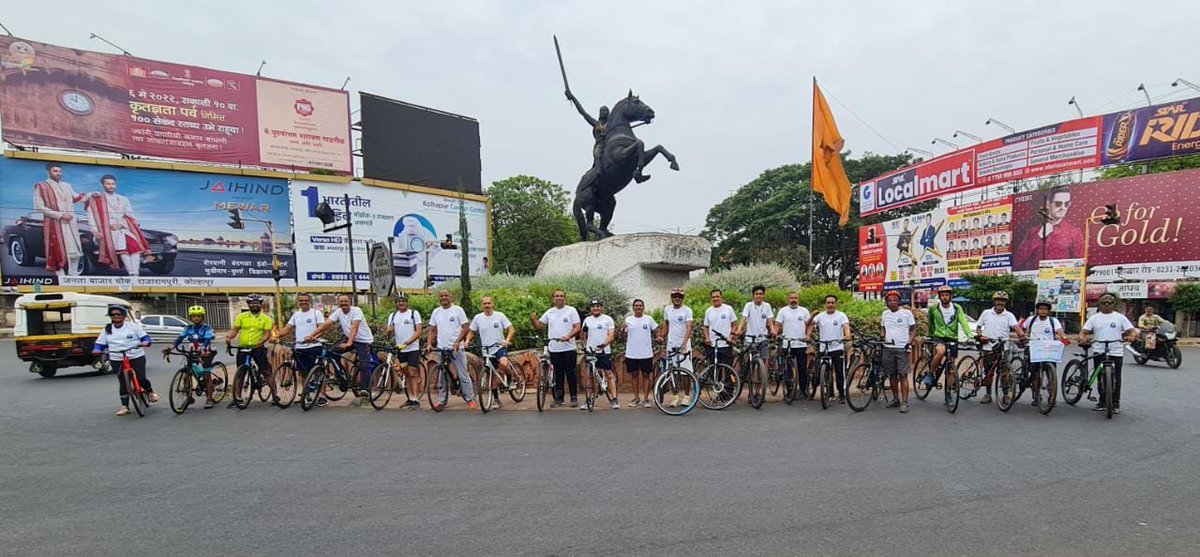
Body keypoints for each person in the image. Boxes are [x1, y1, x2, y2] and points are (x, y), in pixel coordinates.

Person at [305, 293, 375, 407]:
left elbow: (355, 327)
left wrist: (349, 343)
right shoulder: (338, 312)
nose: (343, 304)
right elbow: (326, 325)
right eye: (341, 302)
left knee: (364, 364)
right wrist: (312, 335)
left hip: (363, 340)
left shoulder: (356, 311)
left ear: (350, 302)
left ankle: (365, 389)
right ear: (338, 303)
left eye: (345, 301)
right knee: (332, 353)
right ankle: (341, 375)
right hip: (349, 339)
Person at [95, 305, 157, 415]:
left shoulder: (133, 327)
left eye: (118, 314)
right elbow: (100, 343)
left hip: (135, 356)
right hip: (116, 357)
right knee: (123, 381)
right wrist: (97, 349)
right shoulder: (107, 329)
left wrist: (146, 342)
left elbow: (145, 337)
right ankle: (125, 406)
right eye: (113, 314)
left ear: (124, 316)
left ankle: (150, 392)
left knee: (141, 378)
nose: (115, 316)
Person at [1080, 293, 1137, 414]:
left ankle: (1115, 403)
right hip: (1099, 350)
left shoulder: (1120, 317)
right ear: (1100, 304)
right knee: (1100, 376)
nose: (1106, 304)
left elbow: (1132, 331)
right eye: (1104, 302)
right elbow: (1084, 332)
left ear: (1113, 304)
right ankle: (1102, 402)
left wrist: (1132, 336)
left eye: (1109, 302)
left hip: (1116, 351)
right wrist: (1083, 338)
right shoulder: (1094, 318)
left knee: (1116, 377)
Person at [83, 174, 150, 276]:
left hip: (123, 228)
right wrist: (95, 231)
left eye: (113, 184)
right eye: (108, 184)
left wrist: (123, 225)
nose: (111, 186)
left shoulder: (123, 199)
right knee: (123, 248)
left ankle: (135, 273)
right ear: (103, 185)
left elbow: (130, 215)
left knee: (135, 247)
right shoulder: (96, 199)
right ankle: (132, 273)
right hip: (107, 231)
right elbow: (91, 216)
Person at [33, 163, 86, 277]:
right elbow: (39, 207)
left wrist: (91, 195)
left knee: (74, 251)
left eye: (60, 171)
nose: (59, 174)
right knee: (58, 250)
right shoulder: (41, 186)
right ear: (48, 172)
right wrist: (60, 215)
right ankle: (61, 276)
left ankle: (73, 274)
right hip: (55, 222)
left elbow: (76, 198)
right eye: (55, 171)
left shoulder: (67, 185)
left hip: (70, 222)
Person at [225, 294, 279, 407]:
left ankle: (275, 396)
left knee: (266, 371)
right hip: (243, 347)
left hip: (258, 348)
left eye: (257, 303)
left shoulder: (266, 319)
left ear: (261, 304)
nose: (255, 305)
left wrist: (262, 341)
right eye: (252, 303)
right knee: (240, 373)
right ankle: (237, 398)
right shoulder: (241, 316)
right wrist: (229, 337)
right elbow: (234, 330)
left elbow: (267, 334)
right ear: (248, 304)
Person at [425, 289, 476, 410]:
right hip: (442, 348)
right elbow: (432, 329)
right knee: (442, 376)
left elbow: (466, 327)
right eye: (441, 296)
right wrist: (429, 344)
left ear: (450, 297)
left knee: (463, 374)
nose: (444, 298)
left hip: (456, 348)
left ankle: (470, 399)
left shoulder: (458, 310)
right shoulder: (436, 312)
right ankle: (442, 401)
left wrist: (458, 341)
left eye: (446, 295)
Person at [275, 293, 328, 406]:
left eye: (306, 300)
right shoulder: (296, 315)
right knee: (303, 373)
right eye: (301, 301)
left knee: (318, 371)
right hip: (300, 347)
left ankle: (322, 396)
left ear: (310, 301)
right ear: (298, 302)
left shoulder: (316, 313)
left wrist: (314, 337)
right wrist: (276, 336)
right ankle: (305, 394)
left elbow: (322, 328)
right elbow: (287, 329)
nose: (303, 302)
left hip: (314, 346)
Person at [1014, 185, 1085, 269]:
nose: (1063, 208)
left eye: (1066, 204)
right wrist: (1038, 236)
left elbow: (1080, 264)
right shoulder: (1033, 232)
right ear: (1048, 204)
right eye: (1058, 203)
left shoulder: (1075, 233)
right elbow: (1017, 261)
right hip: (1034, 277)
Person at [532, 289, 582, 407]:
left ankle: (573, 397)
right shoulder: (550, 312)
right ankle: (559, 398)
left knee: (570, 373)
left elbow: (577, 327)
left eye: (561, 296)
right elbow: (540, 326)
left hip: (569, 348)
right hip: (554, 349)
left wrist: (568, 336)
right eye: (557, 296)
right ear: (553, 298)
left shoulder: (571, 310)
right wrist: (533, 319)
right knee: (558, 374)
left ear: (565, 298)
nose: (559, 298)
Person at [975, 291, 1025, 404]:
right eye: (998, 300)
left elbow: (1016, 327)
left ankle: (1006, 395)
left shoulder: (1009, 315)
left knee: (1004, 373)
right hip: (988, 347)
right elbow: (978, 327)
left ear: (1005, 303)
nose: (1000, 303)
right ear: (994, 301)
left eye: (1002, 301)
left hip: (1003, 348)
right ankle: (988, 394)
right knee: (989, 373)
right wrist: (980, 336)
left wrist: (1022, 336)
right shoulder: (986, 313)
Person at [466, 296, 515, 411]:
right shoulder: (478, 318)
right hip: (486, 350)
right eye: (484, 304)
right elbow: (472, 332)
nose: (487, 305)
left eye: (489, 303)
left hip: (499, 347)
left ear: (493, 304)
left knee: (503, 363)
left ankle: (510, 379)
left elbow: (511, 329)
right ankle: (496, 400)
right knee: (491, 376)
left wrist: (506, 341)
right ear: (481, 305)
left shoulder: (500, 316)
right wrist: (467, 340)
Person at [165, 305, 216, 409]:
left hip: (206, 352)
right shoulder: (188, 328)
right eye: (193, 316)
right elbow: (180, 338)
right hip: (192, 352)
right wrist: (171, 347)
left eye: (198, 316)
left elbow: (207, 340)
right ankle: (189, 397)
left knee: (206, 376)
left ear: (202, 317)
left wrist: (203, 349)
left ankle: (209, 399)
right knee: (186, 374)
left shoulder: (207, 328)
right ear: (190, 318)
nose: (196, 318)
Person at [926, 286, 972, 390]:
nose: (945, 297)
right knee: (940, 352)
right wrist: (930, 334)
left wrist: (970, 336)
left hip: (952, 338)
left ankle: (949, 391)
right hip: (939, 336)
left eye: (947, 295)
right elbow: (930, 322)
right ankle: (930, 373)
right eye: (942, 295)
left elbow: (963, 321)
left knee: (951, 367)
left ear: (951, 296)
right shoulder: (934, 308)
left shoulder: (957, 308)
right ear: (939, 297)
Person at [384, 294, 424, 409]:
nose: (401, 303)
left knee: (413, 373)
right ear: (396, 303)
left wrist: (407, 342)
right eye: (398, 301)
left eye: (403, 301)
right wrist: (388, 333)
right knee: (406, 374)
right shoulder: (393, 316)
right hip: (400, 349)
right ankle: (410, 398)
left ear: (407, 302)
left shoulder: (413, 314)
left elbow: (419, 331)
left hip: (412, 349)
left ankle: (416, 400)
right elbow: (389, 333)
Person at [1022, 301, 1066, 406]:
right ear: (1037, 310)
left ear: (1048, 311)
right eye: (1041, 309)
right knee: (1035, 374)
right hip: (1034, 349)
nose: (1043, 311)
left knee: (1051, 374)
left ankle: (1052, 397)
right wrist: (1024, 336)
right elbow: (1024, 329)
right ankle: (1037, 396)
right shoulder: (1031, 320)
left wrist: (1064, 337)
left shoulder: (1053, 321)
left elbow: (1060, 331)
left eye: (1045, 309)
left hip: (1048, 349)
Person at [879, 291, 916, 413]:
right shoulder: (885, 314)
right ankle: (895, 399)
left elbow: (913, 329)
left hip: (902, 348)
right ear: (887, 302)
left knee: (903, 375)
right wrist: (882, 336)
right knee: (892, 375)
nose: (892, 302)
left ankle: (905, 401)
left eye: (895, 300)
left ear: (899, 301)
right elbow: (883, 328)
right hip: (888, 348)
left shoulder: (906, 313)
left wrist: (909, 342)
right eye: (890, 300)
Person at [810, 295, 851, 403]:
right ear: (825, 304)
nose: (830, 305)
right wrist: (808, 335)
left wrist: (847, 335)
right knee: (826, 371)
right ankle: (830, 393)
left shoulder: (841, 315)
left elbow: (846, 327)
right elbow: (810, 325)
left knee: (839, 372)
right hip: (824, 347)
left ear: (835, 304)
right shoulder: (820, 316)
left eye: (832, 303)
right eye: (828, 303)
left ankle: (841, 394)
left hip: (837, 347)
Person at [657, 288, 694, 409]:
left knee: (685, 373)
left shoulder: (687, 310)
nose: (677, 298)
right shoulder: (667, 309)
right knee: (672, 372)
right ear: (671, 297)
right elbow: (666, 325)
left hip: (684, 346)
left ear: (683, 298)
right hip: (671, 345)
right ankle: (675, 397)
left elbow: (689, 327)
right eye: (674, 296)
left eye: (679, 296)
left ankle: (687, 396)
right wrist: (662, 336)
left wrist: (684, 343)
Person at [581, 299, 619, 410]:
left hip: (603, 351)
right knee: (590, 376)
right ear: (590, 308)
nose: (595, 308)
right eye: (593, 306)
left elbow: (611, 335)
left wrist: (603, 344)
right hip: (591, 351)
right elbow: (583, 336)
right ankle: (589, 399)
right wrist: (583, 335)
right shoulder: (587, 320)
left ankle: (614, 399)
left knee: (608, 374)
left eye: (598, 306)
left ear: (601, 308)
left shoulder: (608, 319)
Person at [775, 291, 812, 400]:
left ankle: (803, 391)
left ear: (798, 300)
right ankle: (789, 391)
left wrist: (808, 335)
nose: (793, 300)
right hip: (787, 344)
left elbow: (810, 325)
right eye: (791, 298)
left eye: (795, 298)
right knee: (788, 370)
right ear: (788, 299)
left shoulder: (804, 311)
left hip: (801, 344)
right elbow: (778, 325)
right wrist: (776, 334)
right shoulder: (783, 311)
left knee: (802, 369)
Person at [623, 298, 658, 408]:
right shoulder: (628, 319)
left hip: (646, 353)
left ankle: (646, 398)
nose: (638, 307)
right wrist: (623, 330)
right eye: (636, 305)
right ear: (633, 308)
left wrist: (659, 337)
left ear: (643, 307)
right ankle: (636, 398)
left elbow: (657, 331)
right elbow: (623, 335)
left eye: (640, 305)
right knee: (634, 375)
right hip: (631, 353)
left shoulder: (649, 319)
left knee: (646, 375)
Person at [737, 285, 775, 364]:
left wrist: (773, 330)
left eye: (760, 294)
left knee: (764, 360)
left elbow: (770, 321)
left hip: (763, 338)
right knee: (749, 362)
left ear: (763, 295)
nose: (758, 296)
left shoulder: (767, 306)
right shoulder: (748, 305)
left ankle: (762, 372)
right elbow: (743, 319)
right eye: (756, 294)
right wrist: (739, 330)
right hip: (750, 338)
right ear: (753, 295)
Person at [703, 289, 737, 367]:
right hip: (713, 345)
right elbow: (705, 327)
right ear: (711, 299)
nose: (715, 299)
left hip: (726, 344)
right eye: (713, 297)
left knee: (728, 369)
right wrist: (707, 338)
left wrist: (731, 336)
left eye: (717, 296)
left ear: (721, 298)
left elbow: (734, 324)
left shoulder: (728, 309)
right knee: (714, 369)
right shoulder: (708, 311)